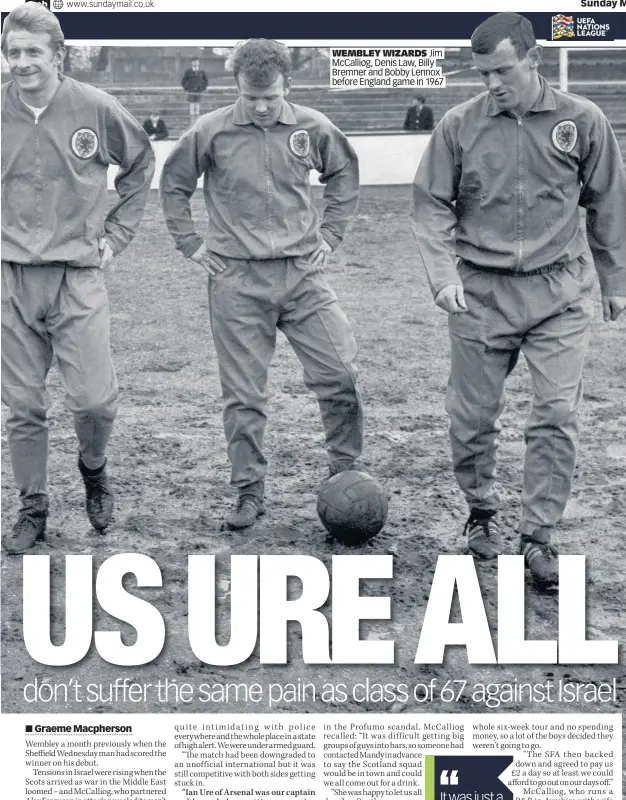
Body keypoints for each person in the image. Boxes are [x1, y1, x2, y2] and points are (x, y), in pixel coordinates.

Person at [410, 12, 626, 590]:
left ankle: (539, 538)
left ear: (532, 57)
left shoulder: (583, 121)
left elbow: (606, 202)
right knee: (473, 417)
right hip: (480, 292)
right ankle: (480, 511)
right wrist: (441, 275)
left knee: (556, 414)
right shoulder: (458, 126)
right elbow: (430, 205)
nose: (493, 83)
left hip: (561, 290)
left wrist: (614, 279)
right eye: (483, 73)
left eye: (502, 70)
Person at [160, 38, 363, 531]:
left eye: (271, 96)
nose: (262, 106)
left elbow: (344, 175)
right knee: (244, 394)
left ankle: (346, 474)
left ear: (286, 86)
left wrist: (331, 235)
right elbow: (173, 184)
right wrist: (189, 242)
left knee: (340, 374)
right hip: (236, 280)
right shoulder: (211, 131)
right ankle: (249, 492)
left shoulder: (313, 127)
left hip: (303, 275)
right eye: (252, 97)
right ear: (238, 88)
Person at [1, 4, 155, 554]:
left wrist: (118, 232)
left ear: (57, 56)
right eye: (12, 52)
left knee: (93, 401)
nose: (21, 63)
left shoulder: (94, 106)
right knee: (23, 407)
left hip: (77, 276)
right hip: (11, 281)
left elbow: (140, 164)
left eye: (32, 52)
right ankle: (32, 508)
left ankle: (93, 466)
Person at [181, 56, 208, 124]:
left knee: (197, 108)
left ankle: (197, 122)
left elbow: (206, 81)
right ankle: (192, 123)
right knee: (192, 108)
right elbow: (183, 81)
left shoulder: (202, 72)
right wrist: (187, 88)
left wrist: (202, 87)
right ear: (192, 63)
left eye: (196, 61)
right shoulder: (188, 72)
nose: (195, 63)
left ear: (199, 63)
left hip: (199, 92)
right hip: (191, 92)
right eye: (194, 61)